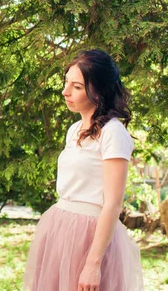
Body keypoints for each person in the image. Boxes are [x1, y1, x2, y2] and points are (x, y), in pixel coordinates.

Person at [24, 49, 143, 291]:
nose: (65, 91)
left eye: (76, 86)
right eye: (66, 82)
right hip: (59, 227)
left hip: (90, 235)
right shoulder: (74, 129)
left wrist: (92, 263)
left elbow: (112, 204)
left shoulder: (113, 132)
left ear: (98, 91)